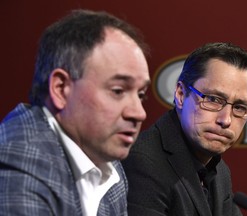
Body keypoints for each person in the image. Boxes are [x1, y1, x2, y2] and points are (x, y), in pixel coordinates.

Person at [0, 9, 150, 216]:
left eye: (141, 95)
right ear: (61, 89)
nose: (139, 113)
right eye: (118, 91)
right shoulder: (18, 162)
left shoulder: (107, 161)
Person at [122, 42, 247, 216]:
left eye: (240, 107)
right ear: (181, 95)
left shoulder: (219, 172)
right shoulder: (143, 162)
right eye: (213, 99)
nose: (226, 120)